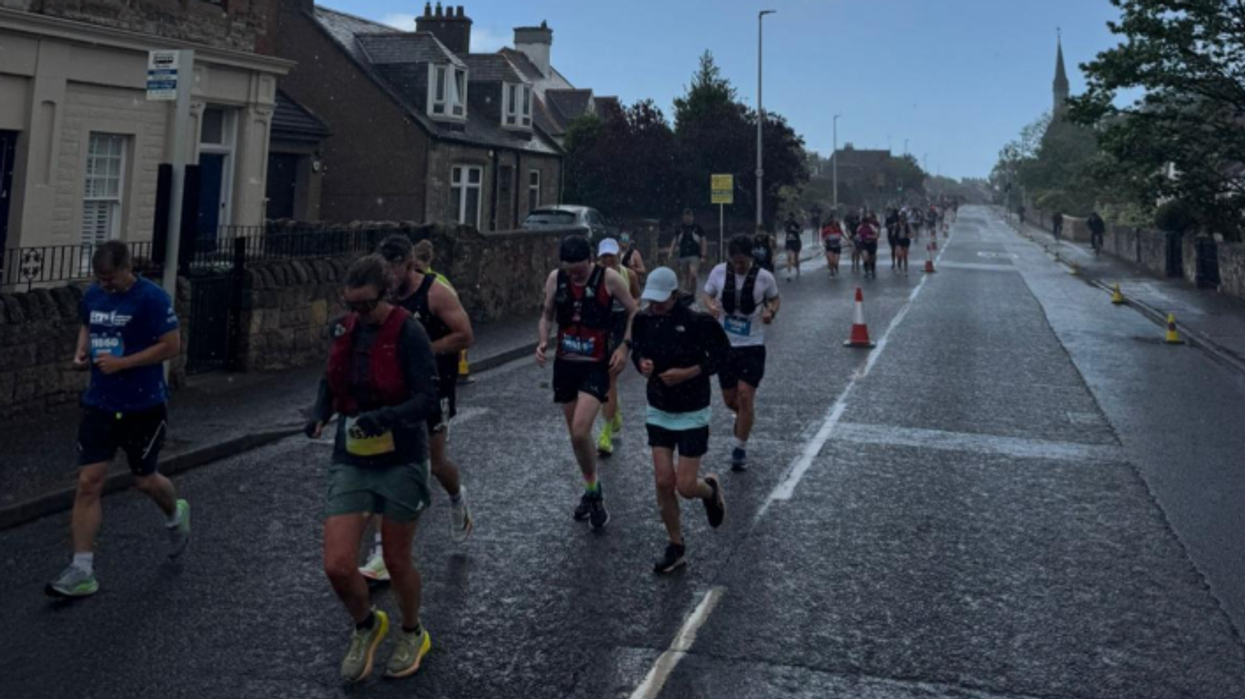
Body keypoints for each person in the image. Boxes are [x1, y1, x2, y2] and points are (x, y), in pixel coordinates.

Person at [307, 255, 440, 682]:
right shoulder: (345, 328)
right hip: (352, 456)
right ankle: (366, 625)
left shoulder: (409, 332)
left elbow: (427, 399)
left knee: (397, 561)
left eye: (366, 306)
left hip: (401, 457)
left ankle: (411, 631)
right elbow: (331, 379)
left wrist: (386, 416)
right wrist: (319, 412)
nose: (359, 315)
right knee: (338, 564)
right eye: (352, 306)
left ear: (386, 296)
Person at [46, 241, 189, 599]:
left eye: (110, 278)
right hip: (100, 403)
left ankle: (175, 514)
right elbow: (88, 324)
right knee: (89, 481)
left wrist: (124, 363)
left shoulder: (152, 299)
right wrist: (83, 349)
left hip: (144, 405)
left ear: (128, 268)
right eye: (100, 279)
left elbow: (171, 345)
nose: (105, 285)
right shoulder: (94, 295)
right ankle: (82, 570)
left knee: (144, 480)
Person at [354, 236, 475, 584]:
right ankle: (381, 553)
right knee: (387, 464)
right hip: (392, 389)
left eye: (394, 270)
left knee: (435, 465)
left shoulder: (436, 293)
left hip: (433, 386)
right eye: (384, 271)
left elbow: (465, 335)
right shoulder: (380, 291)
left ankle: (457, 498)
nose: (388, 279)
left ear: (410, 264)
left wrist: (419, 350)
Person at [631, 267, 729, 573]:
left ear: (675, 295)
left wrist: (689, 373)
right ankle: (676, 546)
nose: (655, 306)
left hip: (692, 410)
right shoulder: (643, 320)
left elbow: (722, 356)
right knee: (663, 481)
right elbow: (638, 350)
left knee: (685, 486)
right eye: (652, 300)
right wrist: (642, 364)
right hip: (659, 407)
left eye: (661, 300)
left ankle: (709, 491)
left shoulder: (697, 322)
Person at [536, 236, 639, 529]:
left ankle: (593, 492)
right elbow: (546, 315)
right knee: (576, 438)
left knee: (581, 432)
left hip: (596, 365)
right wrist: (543, 340)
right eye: (570, 271)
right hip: (566, 365)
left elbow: (635, 312)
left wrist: (624, 347)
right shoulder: (557, 278)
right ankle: (593, 490)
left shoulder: (609, 279)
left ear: (590, 260)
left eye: (580, 270)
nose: (575, 276)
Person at [701, 235, 780, 472]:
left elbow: (775, 299)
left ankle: (739, 448)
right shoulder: (718, 272)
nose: (738, 266)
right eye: (734, 262)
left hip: (752, 345)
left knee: (746, 396)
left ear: (750, 257)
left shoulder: (764, 277)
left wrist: (770, 313)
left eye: (742, 262)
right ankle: (746, 418)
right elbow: (706, 294)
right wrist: (710, 306)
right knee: (730, 400)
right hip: (725, 345)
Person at [595, 237, 642, 458]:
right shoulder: (593, 276)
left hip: (621, 325)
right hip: (601, 326)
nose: (608, 261)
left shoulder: (628, 275)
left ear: (618, 256)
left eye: (611, 256)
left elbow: (637, 299)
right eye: (604, 256)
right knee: (606, 378)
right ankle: (615, 411)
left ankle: (604, 434)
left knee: (609, 376)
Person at [669, 209, 707, 295]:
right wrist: (671, 251)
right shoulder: (680, 228)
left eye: (689, 216)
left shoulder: (697, 228)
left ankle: (692, 292)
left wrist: (703, 255)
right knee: (685, 275)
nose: (687, 218)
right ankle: (685, 293)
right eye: (685, 216)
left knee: (693, 274)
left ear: (692, 217)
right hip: (683, 255)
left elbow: (703, 241)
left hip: (695, 255)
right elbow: (674, 241)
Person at [857, 213, 881, 279]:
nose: (865, 224)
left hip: (872, 244)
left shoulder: (871, 227)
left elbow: (877, 235)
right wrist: (859, 240)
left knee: (872, 259)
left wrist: (871, 236)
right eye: (864, 223)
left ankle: (873, 271)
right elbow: (858, 236)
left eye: (866, 222)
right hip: (864, 244)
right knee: (865, 258)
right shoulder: (860, 227)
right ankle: (866, 271)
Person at [782, 213, 803, 281]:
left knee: (796, 258)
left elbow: (801, 231)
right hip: (789, 242)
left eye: (791, 217)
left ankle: (797, 269)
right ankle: (788, 274)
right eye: (789, 217)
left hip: (796, 242)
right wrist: (783, 231)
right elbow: (783, 230)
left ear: (793, 217)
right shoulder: (786, 223)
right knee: (789, 258)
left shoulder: (796, 223)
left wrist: (795, 230)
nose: (790, 218)